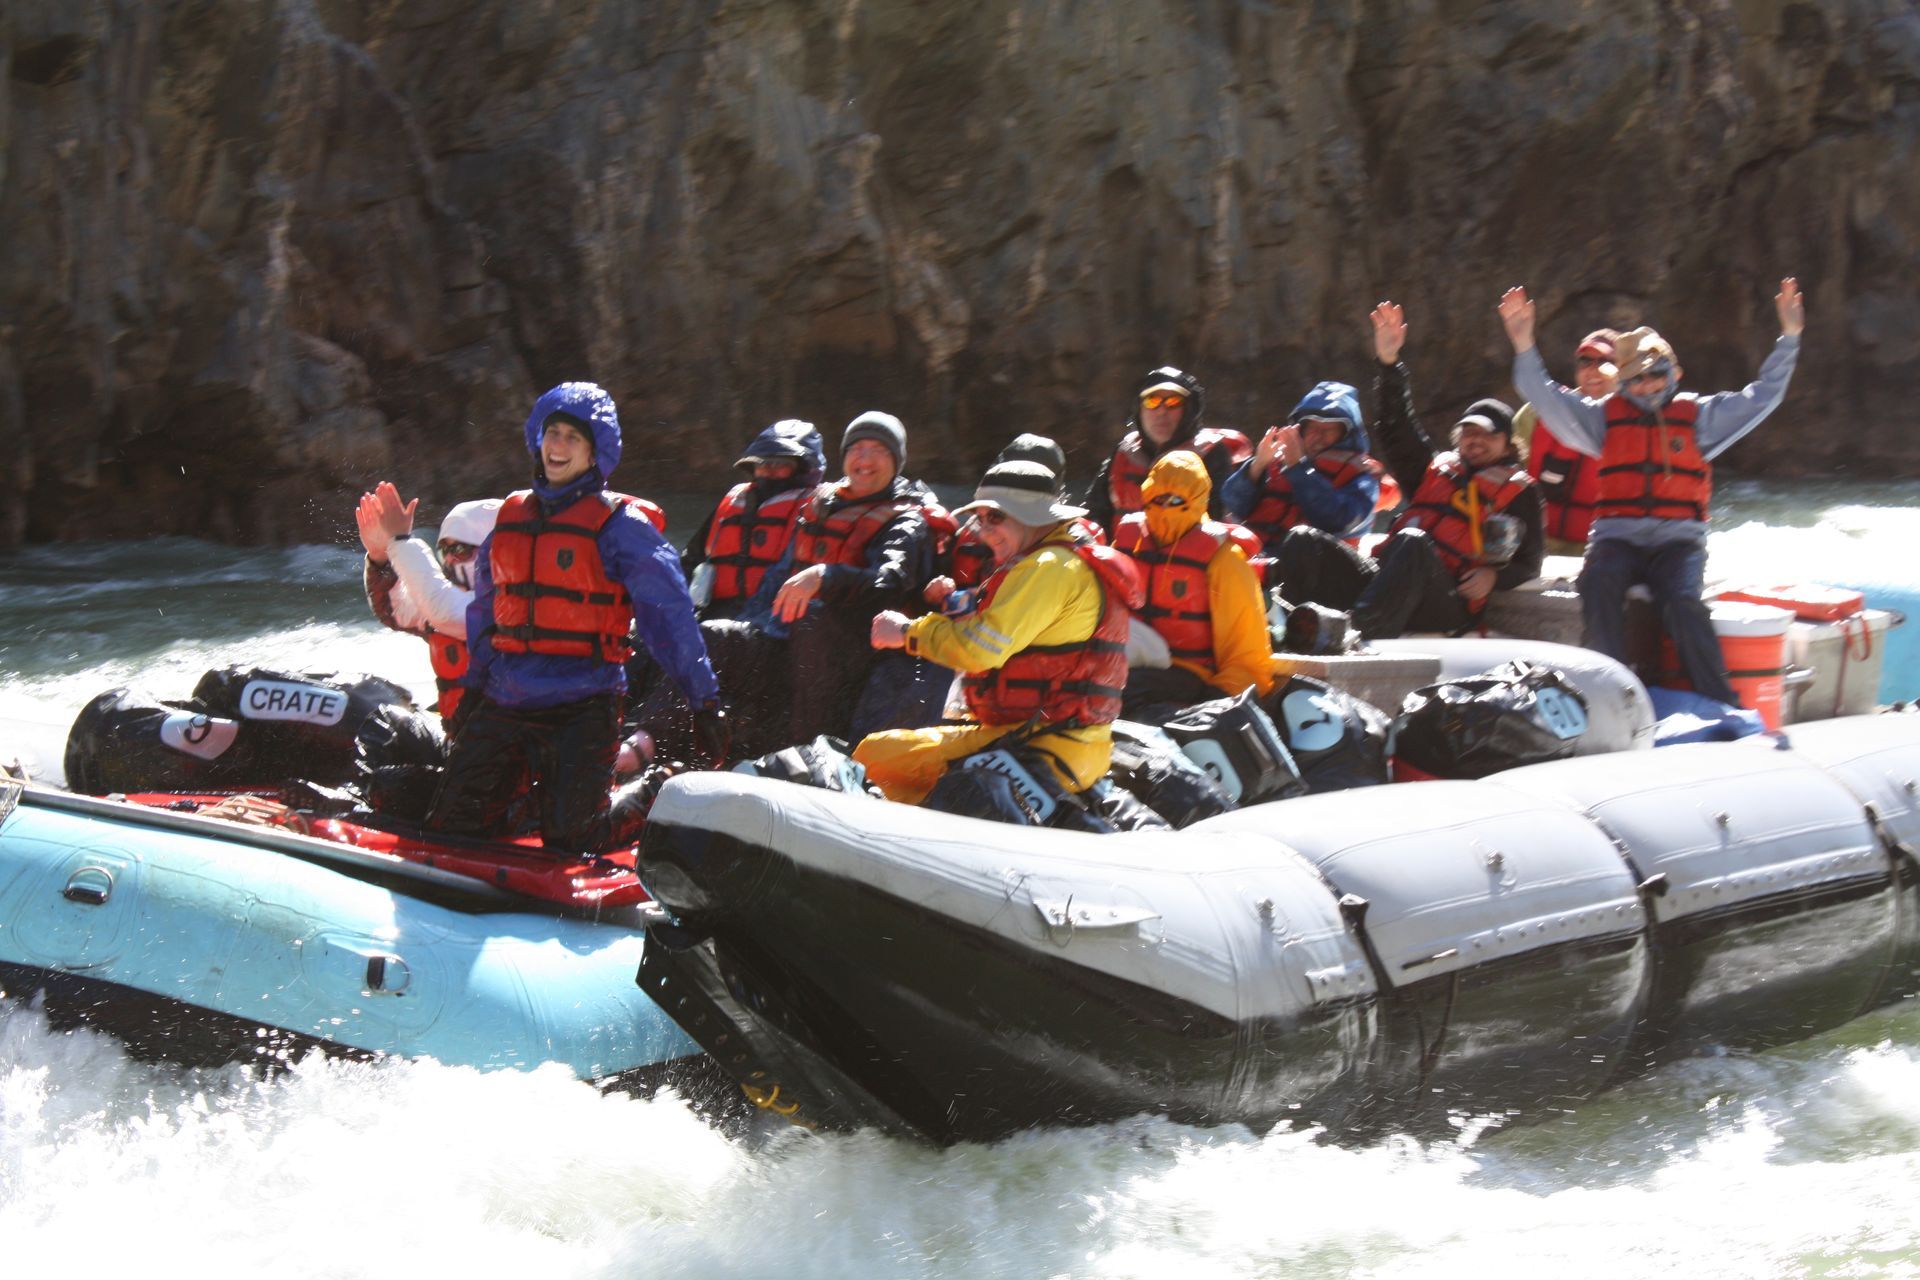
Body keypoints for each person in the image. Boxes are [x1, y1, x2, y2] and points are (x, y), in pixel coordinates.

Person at [425, 381, 727, 854]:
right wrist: (475, 690)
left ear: (594, 454)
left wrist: (703, 702)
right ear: (537, 440)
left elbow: (669, 620)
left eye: (573, 438)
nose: (558, 446)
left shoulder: (622, 527)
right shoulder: (510, 520)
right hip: (507, 697)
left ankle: (660, 789)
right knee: (450, 824)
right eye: (553, 433)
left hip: (585, 705)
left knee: (572, 837)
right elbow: (487, 619)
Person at [1499, 278, 1805, 704]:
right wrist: (1524, 344)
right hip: (1617, 539)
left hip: (1677, 543)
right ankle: (1612, 694)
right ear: (1623, 382)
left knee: (1682, 601)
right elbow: (1546, 398)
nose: (1646, 385)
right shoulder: (1603, 418)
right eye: (1636, 378)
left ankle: (1719, 702)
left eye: (1655, 374)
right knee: (1598, 581)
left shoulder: (1700, 417)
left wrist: (1789, 338)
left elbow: (1763, 396)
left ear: (1674, 372)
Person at [854, 460, 1140, 808]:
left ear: (1032, 516)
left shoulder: (1048, 566)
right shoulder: (1055, 558)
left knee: (877, 757)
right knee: (886, 748)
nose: (984, 530)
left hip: (1049, 746)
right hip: (1056, 739)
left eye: (997, 517)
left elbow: (981, 649)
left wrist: (906, 632)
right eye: (981, 518)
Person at [1273, 302, 1544, 642]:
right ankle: (1289, 631)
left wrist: (1493, 577)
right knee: (1303, 539)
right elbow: (1396, 428)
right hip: (1389, 585)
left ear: (1507, 446)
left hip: (1446, 600)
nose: (1476, 441)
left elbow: (1530, 563)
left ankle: (1357, 635)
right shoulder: (1434, 470)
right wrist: (1389, 364)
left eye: (1488, 435)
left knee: (1414, 542)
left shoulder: (1520, 492)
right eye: (1470, 433)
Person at [771, 411, 950, 742]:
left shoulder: (907, 521)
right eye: (857, 448)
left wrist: (826, 575)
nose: (865, 459)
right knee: (721, 634)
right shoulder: (823, 503)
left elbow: (889, 582)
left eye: (879, 450)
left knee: (811, 622)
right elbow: (781, 573)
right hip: (805, 631)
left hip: (872, 642)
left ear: (896, 461)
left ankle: (806, 747)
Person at [1111, 450, 1275, 715]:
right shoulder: (1128, 543)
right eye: (1159, 497)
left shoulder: (1224, 559)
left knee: (1120, 691)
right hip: (1125, 659)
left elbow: (1248, 655)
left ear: (1199, 500)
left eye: (1177, 499)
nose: (1166, 507)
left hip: (1192, 674)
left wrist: (1218, 700)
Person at [356, 483, 501, 721]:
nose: (451, 559)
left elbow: (447, 612)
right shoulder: (443, 601)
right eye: (445, 550)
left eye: (461, 549)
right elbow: (394, 611)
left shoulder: (512, 603)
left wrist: (401, 541)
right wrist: (380, 557)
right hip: (464, 734)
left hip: (510, 738)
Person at [1221, 380, 1382, 578]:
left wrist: (1298, 469)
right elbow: (1232, 503)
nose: (1318, 437)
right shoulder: (1276, 460)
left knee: (1301, 538)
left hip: (1317, 574)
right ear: (1300, 430)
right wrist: (1257, 465)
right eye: (1312, 428)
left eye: (1328, 430)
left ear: (1346, 434)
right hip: (1254, 561)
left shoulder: (1362, 474)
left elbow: (1342, 520)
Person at [680, 419, 825, 623]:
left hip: (775, 619)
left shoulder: (818, 509)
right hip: (714, 612)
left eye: (779, 464)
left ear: (804, 469)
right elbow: (689, 561)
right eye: (761, 464)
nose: (767, 471)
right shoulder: (735, 500)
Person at [1083, 366, 1250, 536]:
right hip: (1123, 555)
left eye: (1173, 402)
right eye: (1152, 401)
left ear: (1189, 410)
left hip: (1186, 559)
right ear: (1139, 409)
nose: (1162, 412)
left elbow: (1219, 519)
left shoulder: (1212, 454)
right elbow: (1093, 513)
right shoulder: (1125, 450)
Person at [1521, 329, 1620, 554]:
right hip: (1538, 545)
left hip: (1599, 549)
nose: (1593, 370)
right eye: (1586, 361)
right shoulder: (1537, 413)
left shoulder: (1633, 423)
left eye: (1605, 362)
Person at [948, 434, 1069, 591]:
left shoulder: (1074, 541)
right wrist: (948, 595)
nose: (985, 532)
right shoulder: (975, 530)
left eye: (996, 516)